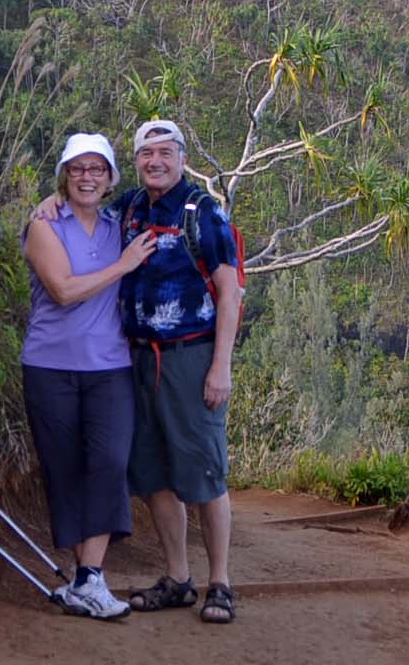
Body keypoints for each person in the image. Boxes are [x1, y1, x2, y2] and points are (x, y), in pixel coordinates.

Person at [20, 132, 158, 620]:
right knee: (65, 471)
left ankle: (89, 579)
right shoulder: (45, 225)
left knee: (108, 464)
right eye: (77, 169)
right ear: (64, 175)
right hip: (50, 366)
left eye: (96, 169)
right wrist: (123, 266)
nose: (86, 177)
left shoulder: (119, 223)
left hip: (110, 368)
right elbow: (61, 289)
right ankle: (86, 581)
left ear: (109, 178)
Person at [114, 119, 244, 626]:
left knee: (205, 473)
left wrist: (220, 369)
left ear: (181, 157)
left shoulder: (203, 212)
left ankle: (222, 583)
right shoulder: (127, 209)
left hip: (192, 356)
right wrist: (50, 204)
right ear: (138, 159)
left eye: (165, 153)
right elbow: (81, 210)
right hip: (140, 356)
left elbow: (229, 293)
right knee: (153, 473)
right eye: (148, 153)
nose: (156, 162)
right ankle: (178, 577)